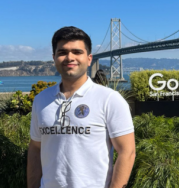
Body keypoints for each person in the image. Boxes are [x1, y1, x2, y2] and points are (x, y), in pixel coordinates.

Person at [27, 26, 135, 188]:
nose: (70, 57)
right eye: (62, 52)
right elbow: (35, 148)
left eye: (77, 52)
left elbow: (127, 152)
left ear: (89, 58)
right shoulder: (41, 100)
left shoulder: (110, 99)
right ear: (54, 58)